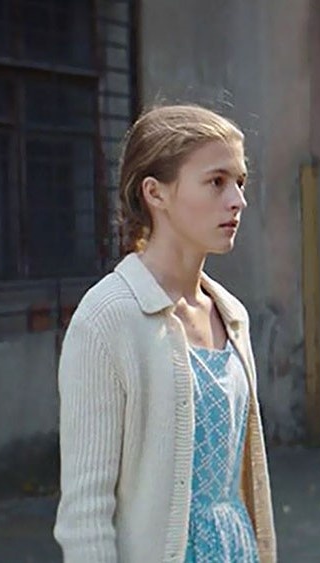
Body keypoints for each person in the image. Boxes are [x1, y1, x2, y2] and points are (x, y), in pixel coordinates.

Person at [53, 104, 277, 563]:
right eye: (216, 181)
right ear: (155, 193)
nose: (237, 200)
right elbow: (85, 512)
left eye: (240, 182)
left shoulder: (231, 314)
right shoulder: (107, 317)